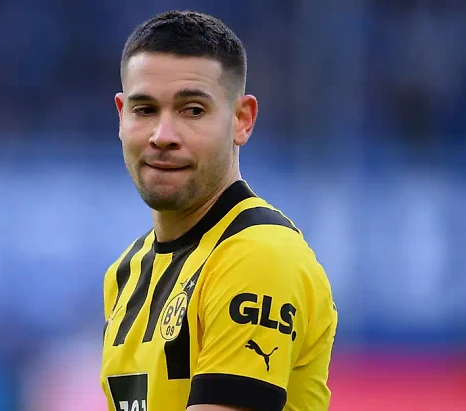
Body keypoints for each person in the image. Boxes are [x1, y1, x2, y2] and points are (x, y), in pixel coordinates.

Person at [100, 10, 338, 411]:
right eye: (145, 110)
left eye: (192, 110)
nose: (163, 136)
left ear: (241, 120)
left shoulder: (257, 256)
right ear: (122, 116)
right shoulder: (125, 274)